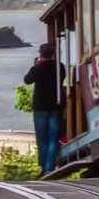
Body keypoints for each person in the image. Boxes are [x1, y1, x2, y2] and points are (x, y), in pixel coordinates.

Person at [23, 43, 65, 175]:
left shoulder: (37, 68)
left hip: (40, 106)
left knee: (42, 138)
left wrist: (36, 65)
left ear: (40, 54)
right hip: (56, 105)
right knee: (54, 137)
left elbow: (27, 80)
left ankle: (43, 167)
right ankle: (50, 167)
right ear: (53, 54)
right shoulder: (60, 67)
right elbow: (63, 77)